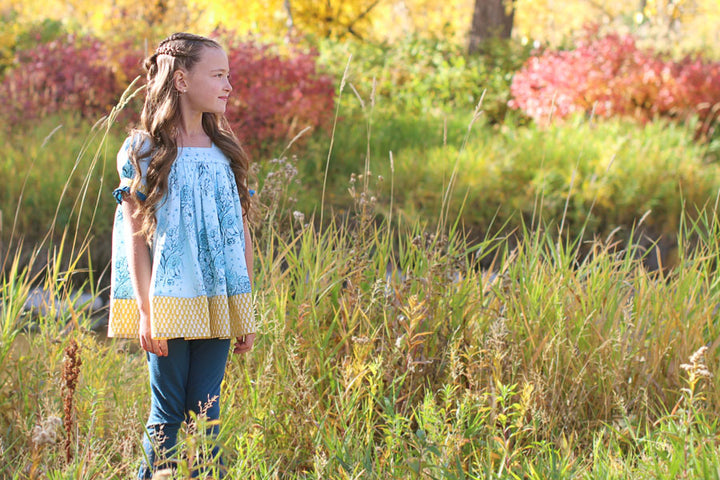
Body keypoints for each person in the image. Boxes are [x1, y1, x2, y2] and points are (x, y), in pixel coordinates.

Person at [107, 32, 256, 479]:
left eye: (228, 75)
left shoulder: (225, 153)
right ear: (181, 80)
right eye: (218, 75)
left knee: (206, 412)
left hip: (216, 302)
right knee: (168, 412)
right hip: (168, 303)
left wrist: (244, 310)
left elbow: (242, 234)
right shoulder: (143, 150)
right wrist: (148, 313)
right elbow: (134, 238)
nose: (228, 84)